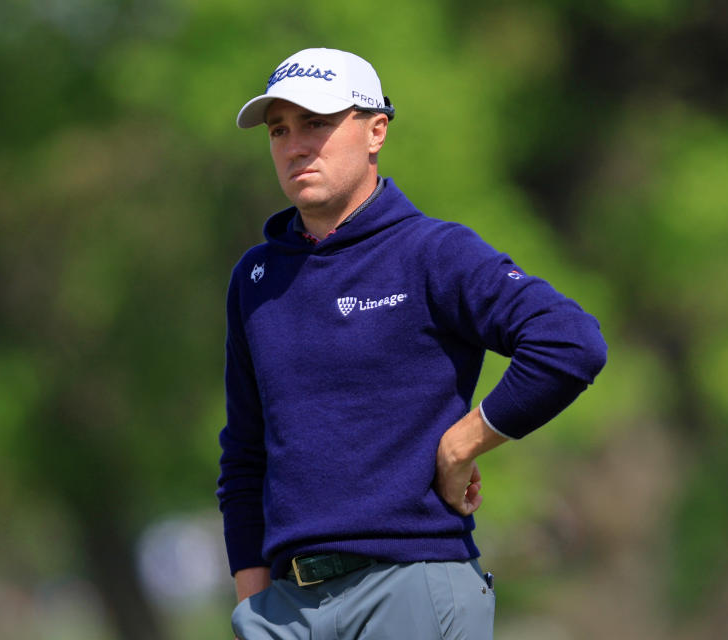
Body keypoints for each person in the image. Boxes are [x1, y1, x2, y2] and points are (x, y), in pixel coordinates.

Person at [217, 47, 607, 639]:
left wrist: (462, 443)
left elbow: (569, 341)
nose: (295, 145)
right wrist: (252, 604)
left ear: (376, 131)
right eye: (279, 130)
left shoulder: (432, 252)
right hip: (286, 609)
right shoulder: (255, 279)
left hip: (411, 586)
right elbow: (245, 455)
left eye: (317, 124)